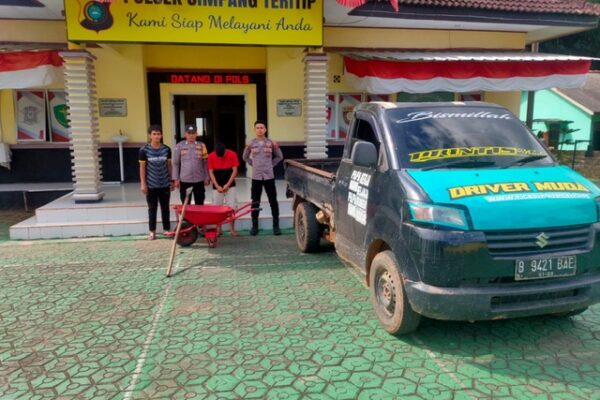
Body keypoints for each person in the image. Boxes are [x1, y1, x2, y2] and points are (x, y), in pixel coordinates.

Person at [242, 120, 283, 236]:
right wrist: (253, 164)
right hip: (256, 177)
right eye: (257, 128)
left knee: (273, 201)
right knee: (255, 202)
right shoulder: (250, 144)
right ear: (254, 130)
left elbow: (280, 156)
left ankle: (276, 226)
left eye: (262, 128)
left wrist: (271, 164)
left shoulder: (271, 143)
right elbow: (245, 157)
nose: (260, 130)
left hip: (269, 176)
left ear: (265, 129)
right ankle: (254, 226)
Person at [139, 125, 174, 240]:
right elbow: (142, 168)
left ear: (161, 135)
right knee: (152, 208)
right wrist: (143, 184)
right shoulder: (143, 150)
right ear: (150, 135)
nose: (156, 136)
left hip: (165, 184)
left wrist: (172, 180)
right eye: (154, 134)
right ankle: (152, 231)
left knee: (165, 208)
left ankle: (166, 229)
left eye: (158, 134)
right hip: (151, 185)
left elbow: (169, 165)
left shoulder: (167, 149)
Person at [208, 142, 240, 236]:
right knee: (217, 207)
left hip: (230, 184)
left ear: (226, 151)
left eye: (223, 156)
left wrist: (228, 185)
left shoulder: (232, 154)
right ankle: (219, 230)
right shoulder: (211, 156)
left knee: (232, 207)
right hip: (217, 185)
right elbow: (211, 172)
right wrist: (217, 186)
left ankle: (232, 230)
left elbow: (235, 171)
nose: (221, 158)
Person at [172, 124, 209, 205]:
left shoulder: (202, 145)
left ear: (196, 134)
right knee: (186, 204)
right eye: (189, 133)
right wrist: (176, 179)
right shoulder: (179, 146)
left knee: (200, 203)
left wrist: (206, 177)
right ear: (185, 134)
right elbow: (176, 163)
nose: (191, 135)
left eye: (193, 133)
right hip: (185, 180)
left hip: (199, 179)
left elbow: (205, 163)